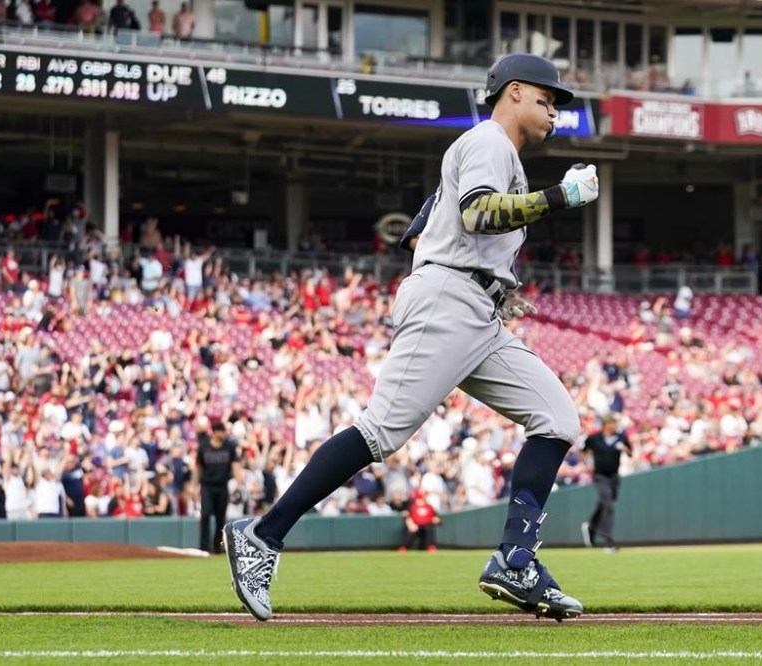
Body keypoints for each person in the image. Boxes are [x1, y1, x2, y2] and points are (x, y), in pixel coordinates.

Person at [222, 53, 598, 622]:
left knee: (557, 418)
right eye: (546, 99)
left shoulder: (497, 155)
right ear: (514, 91)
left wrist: (493, 284)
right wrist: (559, 198)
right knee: (381, 432)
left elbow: (426, 230)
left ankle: (515, 559)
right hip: (449, 302)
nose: (554, 111)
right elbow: (477, 215)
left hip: (475, 310)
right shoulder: (489, 141)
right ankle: (264, 535)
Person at [581, 414, 631, 552]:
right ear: (606, 425)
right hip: (600, 476)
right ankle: (608, 541)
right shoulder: (594, 438)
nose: (616, 426)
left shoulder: (621, 437)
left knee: (605, 503)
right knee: (607, 504)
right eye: (613, 424)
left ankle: (591, 527)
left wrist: (625, 449)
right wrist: (587, 463)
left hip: (614, 477)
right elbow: (583, 451)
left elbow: (630, 452)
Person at [195, 422, 242, 554]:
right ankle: (204, 547)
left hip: (222, 485)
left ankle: (217, 546)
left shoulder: (229, 447)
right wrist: (195, 486)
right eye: (222, 431)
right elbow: (198, 467)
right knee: (205, 514)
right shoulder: (204, 446)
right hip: (207, 485)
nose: (224, 434)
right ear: (215, 432)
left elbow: (235, 464)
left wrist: (239, 482)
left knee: (220, 517)